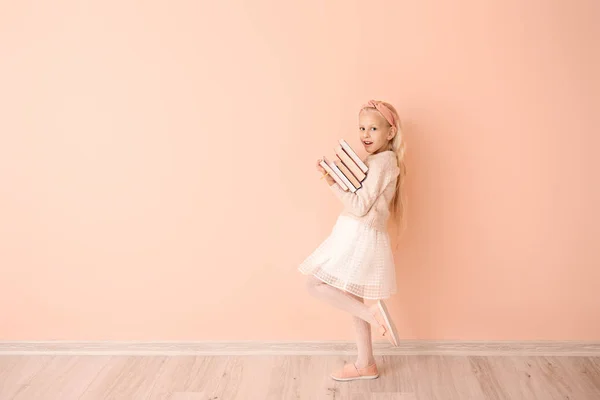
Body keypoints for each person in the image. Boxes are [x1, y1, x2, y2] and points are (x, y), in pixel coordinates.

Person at [298, 100, 407, 382]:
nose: (366, 134)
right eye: (362, 128)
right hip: (359, 231)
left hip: (359, 232)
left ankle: (373, 314)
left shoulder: (383, 161)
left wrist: (333, 184)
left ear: (390, 132)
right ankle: (365, 363)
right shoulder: (377, 161)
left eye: (373, 128)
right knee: (352, 298)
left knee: (315, 284)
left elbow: (359, 206)